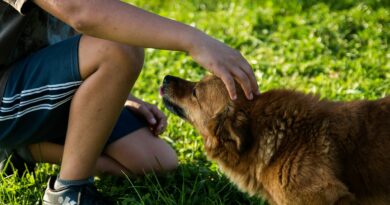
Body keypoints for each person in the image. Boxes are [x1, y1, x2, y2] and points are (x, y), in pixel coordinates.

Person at [0, 0, 259, 204]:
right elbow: (80, 11)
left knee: (155, 161)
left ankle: (23, 150)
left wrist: (113, 92)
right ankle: (69, 193)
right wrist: (194, 41)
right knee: (120, 48)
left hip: (35, 81)